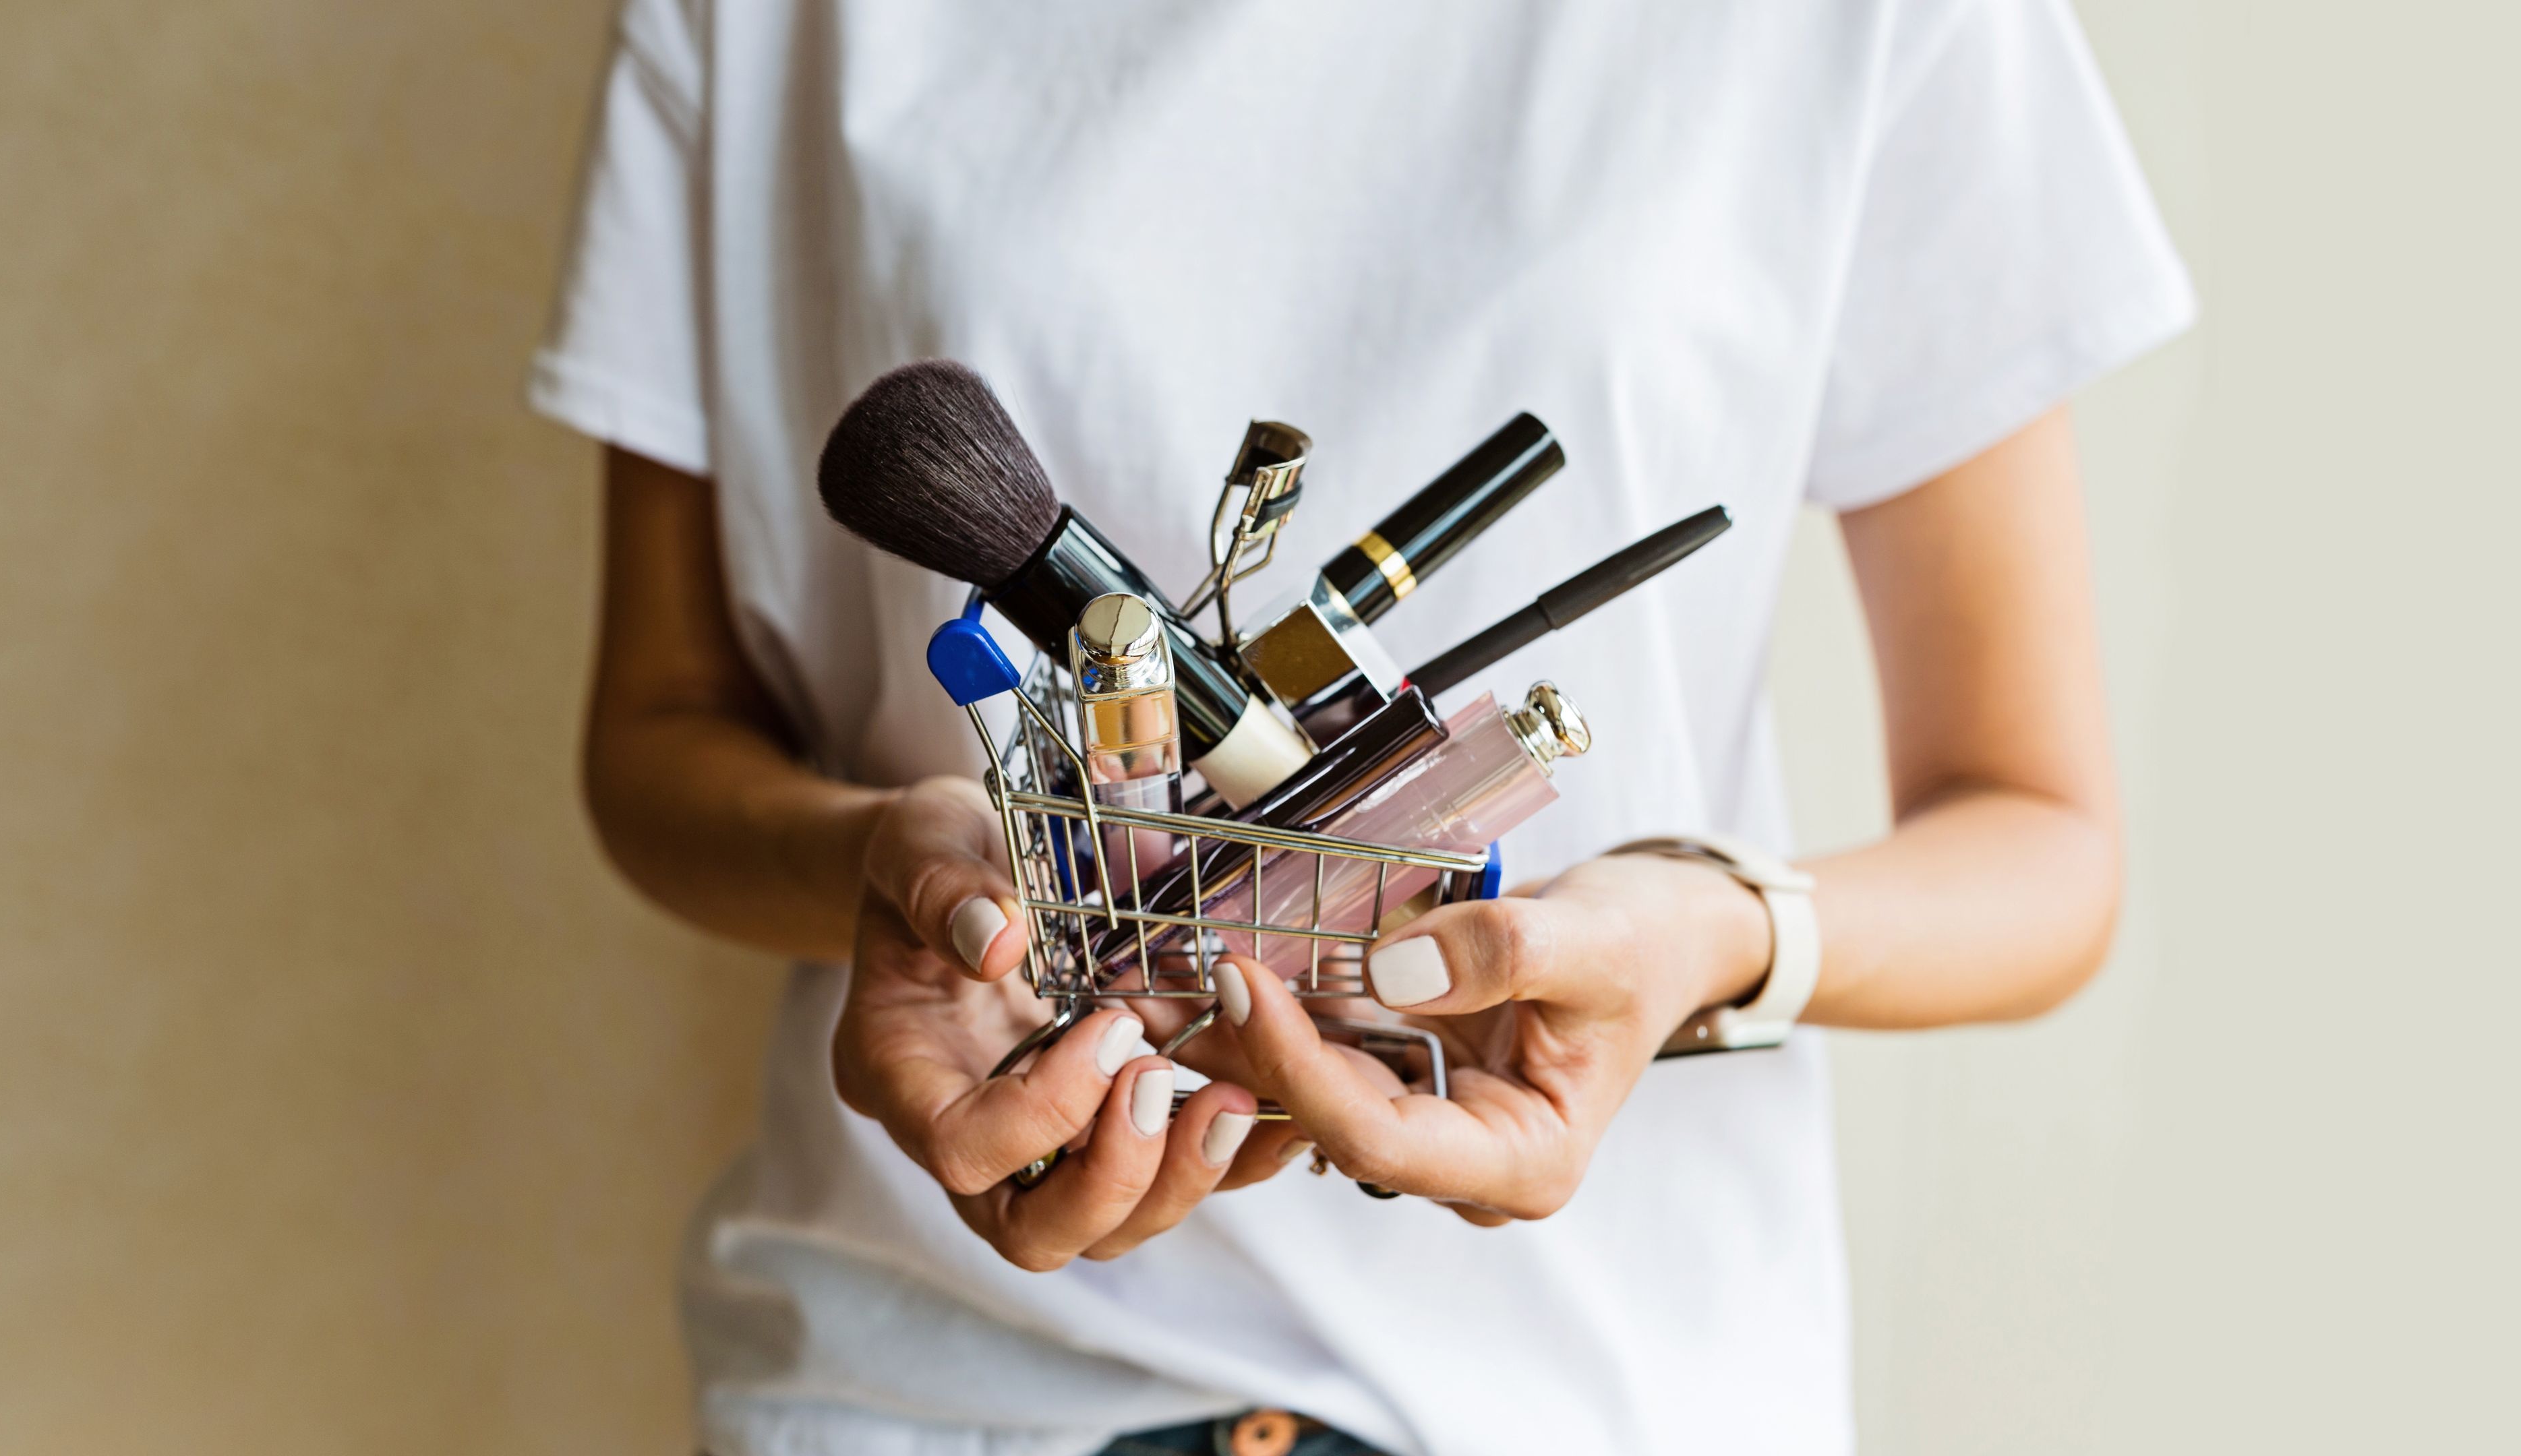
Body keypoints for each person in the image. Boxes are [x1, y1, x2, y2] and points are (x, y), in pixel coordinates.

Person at [530, 1, 2191, 1451]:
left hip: (1602, 1400)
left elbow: (2040, 844)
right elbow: (664, 744)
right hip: (937, 1386)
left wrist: (1703, 929)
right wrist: (902, 872)